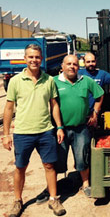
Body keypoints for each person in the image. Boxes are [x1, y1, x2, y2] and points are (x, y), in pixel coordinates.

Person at [2, 44, 66, 216]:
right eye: (30, 57)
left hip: (45, 131)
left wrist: (59, 127)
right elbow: (8, 109)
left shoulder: (49, 80)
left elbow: (54, 105)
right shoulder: (15, 81)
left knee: (49, 165)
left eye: (37, 57)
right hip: (23, 132)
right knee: (20, 167)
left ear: (41, 59)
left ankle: (54, 199)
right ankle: (17, 201)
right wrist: (6, 134)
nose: (34, 60)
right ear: (25, 58)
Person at [54, 55, 104, 197]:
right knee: (58, 158)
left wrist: (95, 112)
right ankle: (53, 187)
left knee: (83, 157)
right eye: (68, 64)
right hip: (60, 129)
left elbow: (100, 95)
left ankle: (86, 184)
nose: (72, 66)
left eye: (75, 64)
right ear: (62, 66)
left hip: (81, 128)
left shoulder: (86, 81)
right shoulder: (54, 82)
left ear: (78, 66)